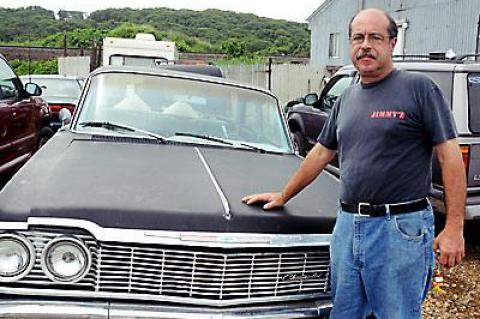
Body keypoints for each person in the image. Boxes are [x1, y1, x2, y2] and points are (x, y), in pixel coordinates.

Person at [242, 8, 465, 319]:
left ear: (392, 42)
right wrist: (284, 195)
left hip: (399, 229)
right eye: (358, 38)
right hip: (348, 226)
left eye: (375, 37)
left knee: (396, 313)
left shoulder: (419, 89)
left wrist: (454, 227)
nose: (365, 45)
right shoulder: (347, 98)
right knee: (345, 312)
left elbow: (450, 156)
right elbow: (321, 152)